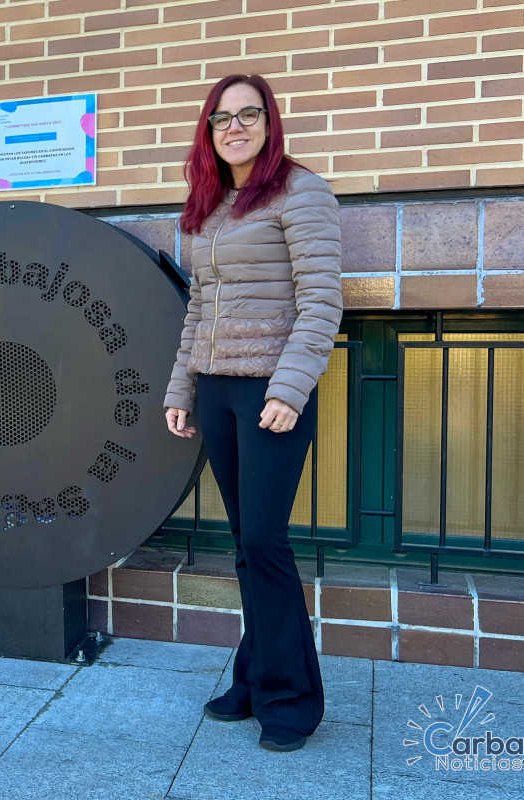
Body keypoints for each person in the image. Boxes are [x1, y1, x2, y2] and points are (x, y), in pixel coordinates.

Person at [164, 74, 342, 752]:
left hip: (271, 391)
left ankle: (290, 698)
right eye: (220, 117)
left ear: (270, 122)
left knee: (265, 545)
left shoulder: (301, 191)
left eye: (248, 114)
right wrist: (181, 391)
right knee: (244, 547)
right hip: (217, 392)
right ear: (208, 131)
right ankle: (253, 675)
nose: (233, 126)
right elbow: (198, 311)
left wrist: (288, 390)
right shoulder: (210, 206)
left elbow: (321, 301)